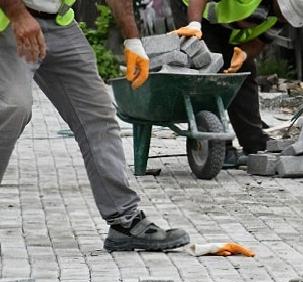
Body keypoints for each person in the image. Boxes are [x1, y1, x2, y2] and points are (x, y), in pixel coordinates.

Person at [0, 0, 190, 252]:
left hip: (59, 23)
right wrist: (18, 14)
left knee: (98, 116)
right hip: (7, 20)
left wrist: (133, 41)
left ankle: (124, 222)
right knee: (13, 107)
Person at [170, 0, 303, 167]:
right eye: (284, 13)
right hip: (193, 8)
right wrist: (195, 25)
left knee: (244, 73)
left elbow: (259, 42)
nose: (283, 18)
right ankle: (216, 145)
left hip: (226, 26)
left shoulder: (280, 17)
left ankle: (254, 143)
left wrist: (243, 55)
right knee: (208, 71)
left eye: (287, 16)